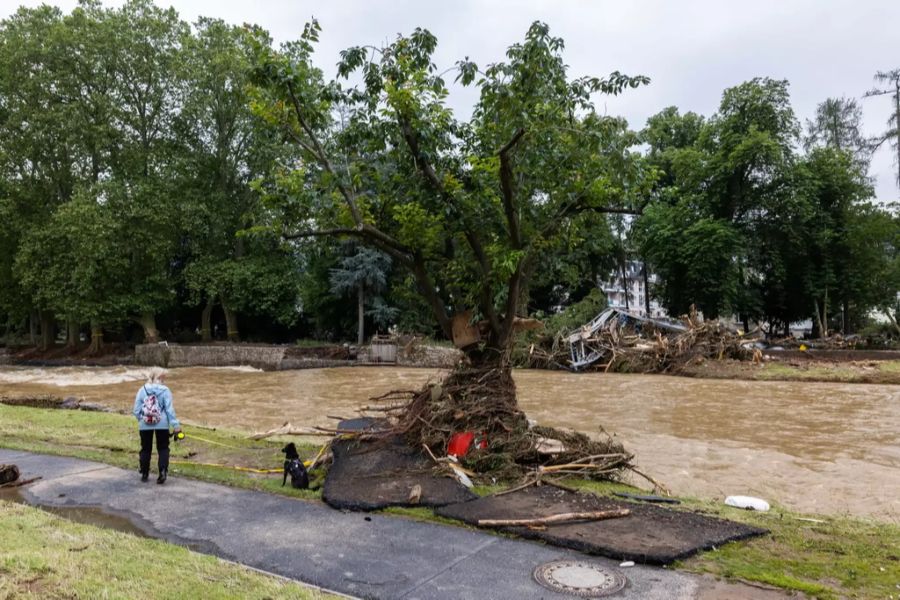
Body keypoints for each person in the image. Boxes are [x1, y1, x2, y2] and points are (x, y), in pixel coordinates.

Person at [132, 368, 181, 484]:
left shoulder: (142, 390)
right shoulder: (165, 391)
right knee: (163, 448)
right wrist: (176, 425)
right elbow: (170, 410)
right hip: (162, 424)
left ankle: (144, 472)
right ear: (159, 378)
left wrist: (142, 419)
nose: (165, 379)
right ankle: (162, 471)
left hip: (145, 424)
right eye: (163, 377)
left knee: (145, 448)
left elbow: (136, 410)